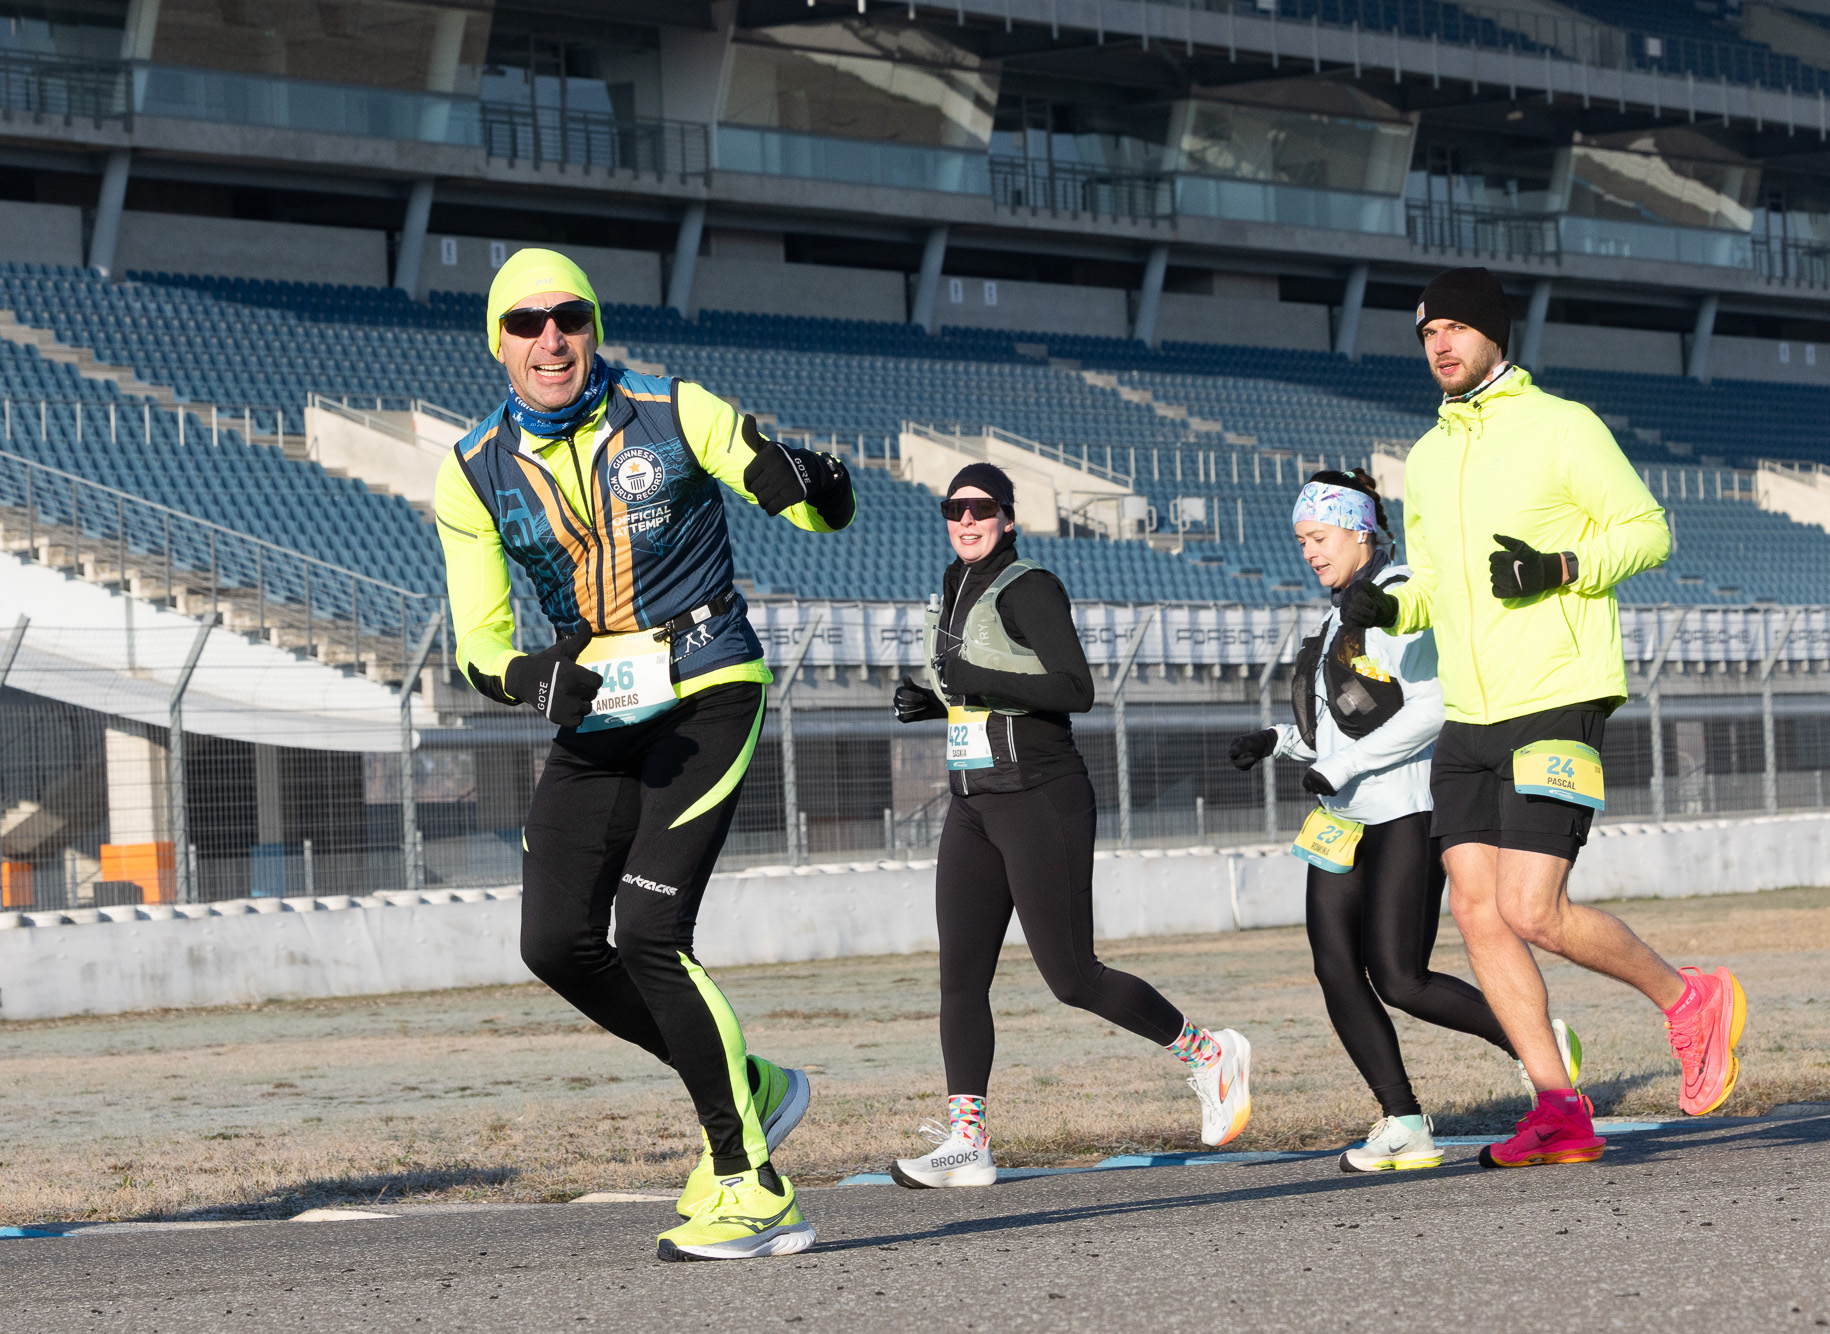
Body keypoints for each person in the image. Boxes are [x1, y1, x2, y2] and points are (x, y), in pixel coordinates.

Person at [434, 249, 855, 1259]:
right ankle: (750, 1084)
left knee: (649, 930)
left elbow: (798, 499)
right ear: (497, 341)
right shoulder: (470, 469)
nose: (550, 339)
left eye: (568, 318)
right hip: (595, 708)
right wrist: (534, 676)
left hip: (707, 683)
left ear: (593, 328)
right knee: (554, 944)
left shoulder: (669, 407)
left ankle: (751, 1184)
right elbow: (477, 641)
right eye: (526, 322)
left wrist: (816, 485)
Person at [1342, 266, 1745, 1170]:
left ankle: (1692, 998)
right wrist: (1393, 611)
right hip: (1471, 712)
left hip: (1559, 691)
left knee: (1534, 909)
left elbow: (1647, 531)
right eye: (1425, 332)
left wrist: (1559, 568)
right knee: (1481, 919)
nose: (1439, 343)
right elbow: (1441, 588)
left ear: (1493, 331)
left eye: (1453, 326)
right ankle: (1559, 1108)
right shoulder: (1430, 456)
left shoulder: (1564, 426)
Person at [885, 463, 1251, 1188]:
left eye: (981, 508)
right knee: (959, 979)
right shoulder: (955, 588)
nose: (966, 519)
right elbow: (979, 686)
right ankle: (968, 1142)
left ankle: (1210, 1054)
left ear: (1008, 517)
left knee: (1072, 976)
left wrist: (978, 685)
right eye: (954, 507)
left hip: (1040, 796)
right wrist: (934, 703)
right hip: (973, 802)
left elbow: (1072, 687)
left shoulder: (1031, 585)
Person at [1227, 469, 1581, 1174]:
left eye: (1319, 537)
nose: (1309, 552)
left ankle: (1534, 1041)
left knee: (1400, 976)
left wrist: (1344, 767)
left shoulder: (1398, 597)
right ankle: (1403, 1122)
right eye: (1301, 540)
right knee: (1336, 970)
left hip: (1407, 811)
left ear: (1360, 531)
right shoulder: (1338, 612)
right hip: (1343, 819)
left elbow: (1431, 708)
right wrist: (1279, 739)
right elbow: (1346, 719)